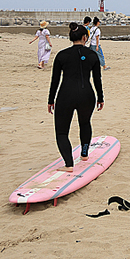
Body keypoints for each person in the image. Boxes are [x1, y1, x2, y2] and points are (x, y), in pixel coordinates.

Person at [47, 23, 104, 172]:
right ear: (85, 37)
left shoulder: (62, 55)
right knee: (85, 123)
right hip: (87, 95)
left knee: (61, 132)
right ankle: (84, 154)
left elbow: (55, 81)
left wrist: (50, 100)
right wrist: (100, 98)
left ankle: (69, 164)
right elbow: (97, 79)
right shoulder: (92, 55)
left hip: (66, 95)